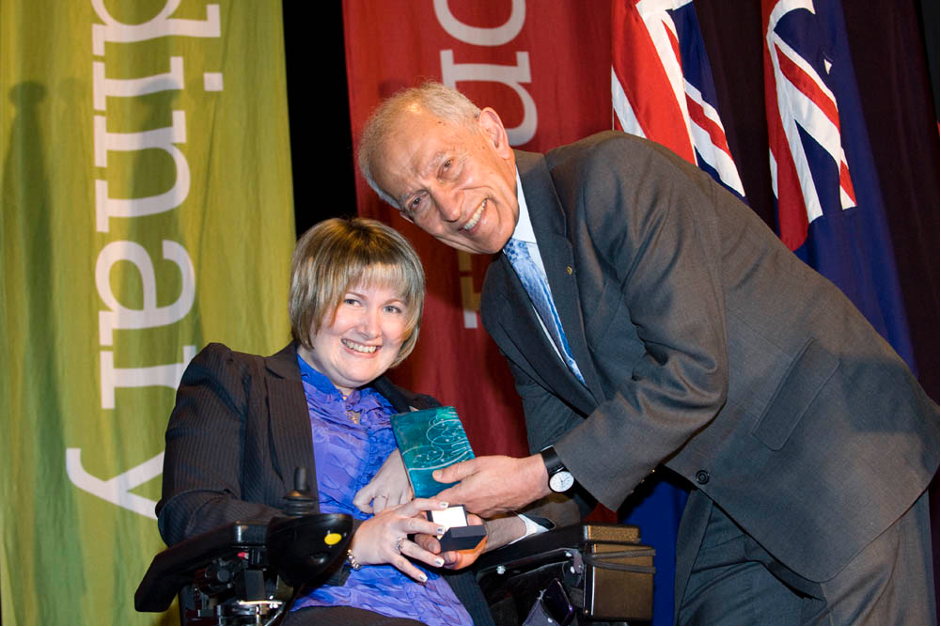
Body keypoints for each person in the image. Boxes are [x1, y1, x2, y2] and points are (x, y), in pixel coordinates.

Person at [357, 83, 940, 625]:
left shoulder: (609, 173)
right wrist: (503, 526)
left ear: (490, 131)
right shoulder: (505, 307)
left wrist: (535, 474)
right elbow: (568, 466)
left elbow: (693, 371)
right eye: (420, 202)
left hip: (836, 449)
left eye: (447, 167)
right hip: (732, 496)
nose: (451, 208)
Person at [157, 217, 510, 626]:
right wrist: (349, 542)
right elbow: (190, 512)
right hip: (318, 605)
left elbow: (462, 533)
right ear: (310, 298)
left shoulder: (424, 417)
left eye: (392, 308)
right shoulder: (238, 380)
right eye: (352, 301)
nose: (371, 328)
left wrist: (451, 528)